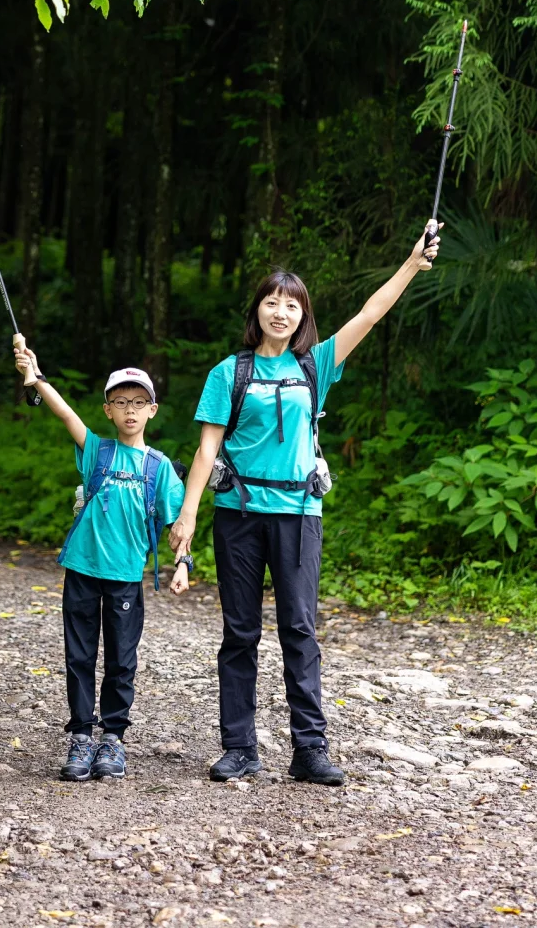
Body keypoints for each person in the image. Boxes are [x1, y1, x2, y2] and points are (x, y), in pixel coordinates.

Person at [169, 226, 441, 786]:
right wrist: (189, 514)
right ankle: (240, 747)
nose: (281, 311)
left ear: (303, 316)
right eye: (272, 301)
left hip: (298, 515)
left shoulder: (316, 364)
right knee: (239, 632)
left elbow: (370, 313)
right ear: (258, 310)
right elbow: (205, 450)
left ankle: (309, 750)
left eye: (292, 304)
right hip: (239, 514)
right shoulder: (230, 372)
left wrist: (412, 263)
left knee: (299, 629)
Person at [13, 338, 191, 783]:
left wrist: (184, 563)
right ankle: (80, 737)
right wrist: (34, 377)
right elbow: (65, 414)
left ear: (153, 410)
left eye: (138, 402)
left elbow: (179, 524)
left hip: (127, 577)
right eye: (120, 402)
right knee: (79, 655)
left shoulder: (159, 468)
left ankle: (113, 738)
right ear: (108, 410)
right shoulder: (98, 452)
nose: (129, 410)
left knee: (121, 659)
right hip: (82, 569)